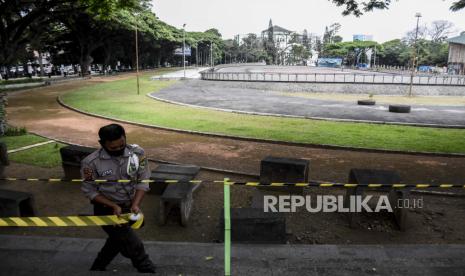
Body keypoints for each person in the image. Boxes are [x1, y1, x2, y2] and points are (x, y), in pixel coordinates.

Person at [80, 124, 155, 273]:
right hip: (107, 210)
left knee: (117, 240)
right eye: (113, 148)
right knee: (134, 245)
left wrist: (135, 204)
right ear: (102, 144)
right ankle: (146, 268)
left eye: (122, 145)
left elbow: (143, 179)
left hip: (130, 206)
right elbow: (90, 191)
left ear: (125, 138)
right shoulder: (89, 163)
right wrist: (113, 205)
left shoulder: (138, 153)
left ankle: (98, 266)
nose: (119, 150)